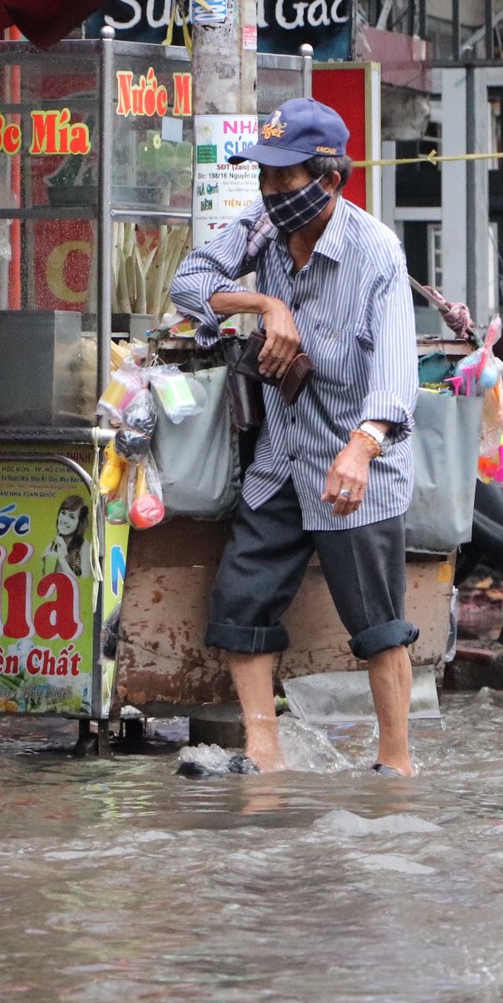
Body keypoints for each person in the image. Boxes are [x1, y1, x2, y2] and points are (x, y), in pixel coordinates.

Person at [169, 97, 421, 776]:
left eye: (288, 180)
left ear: (330, 179)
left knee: (377, 622)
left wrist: (361, 446)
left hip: (355, 461)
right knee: (241, 597)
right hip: (282, 455)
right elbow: (187, 283)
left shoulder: (377, 256)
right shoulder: (261, 229)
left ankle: (395, 764)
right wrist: (265, 303)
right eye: (267, 179)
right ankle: (264, 748)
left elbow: (397, 380)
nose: (274, 194)